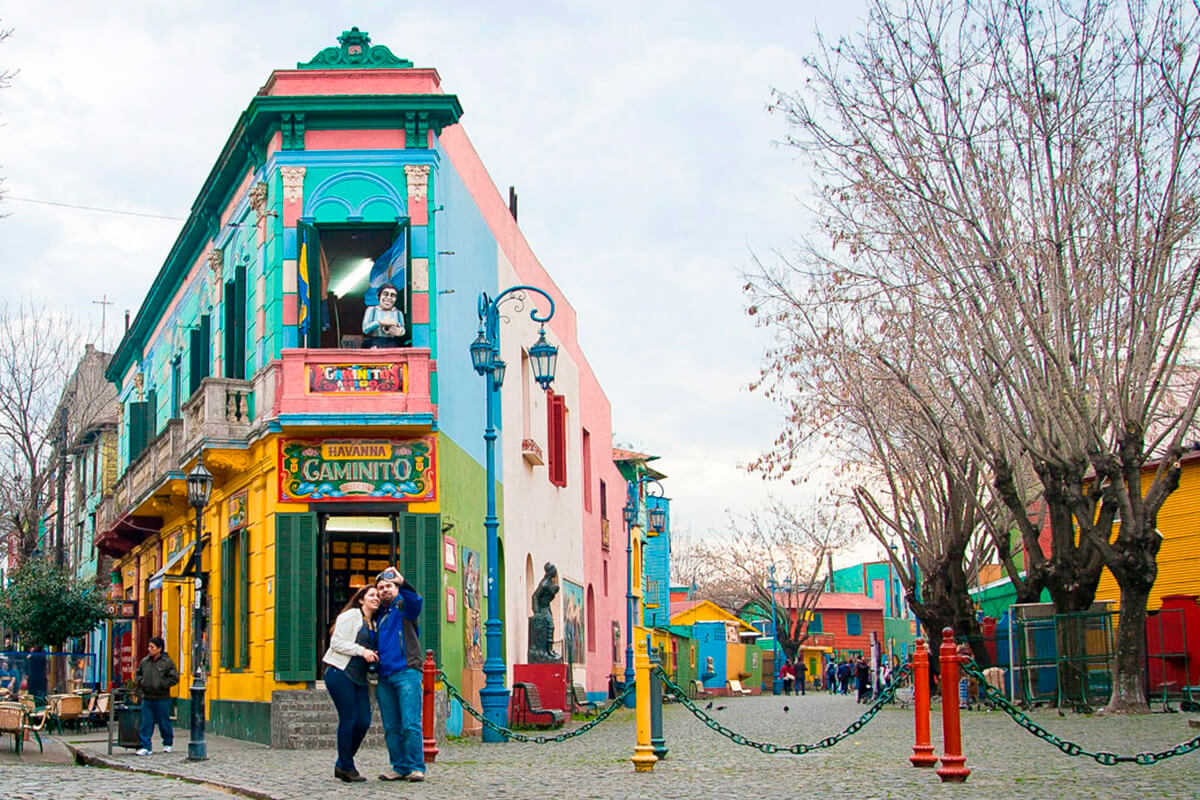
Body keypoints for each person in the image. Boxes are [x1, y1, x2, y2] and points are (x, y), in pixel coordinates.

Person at [322, 585, 381, 783]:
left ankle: (342, 763)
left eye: (378, 595)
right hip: (340, 673)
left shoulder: (374, 622)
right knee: (349, 718)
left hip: (360, 677)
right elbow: (336, 642)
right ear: (361, 599)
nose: (376, 598)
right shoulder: (351, 616)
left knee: (364, 721)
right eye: (371, 595)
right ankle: (347, 766)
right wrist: (361, 651)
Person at [374, 566, 425, 782]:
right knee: (391, 726)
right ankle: (399, 766)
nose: (385, 590)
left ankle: (416, 767)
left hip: (406, 672)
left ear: (396, 589)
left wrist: (404, 583)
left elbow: (416, 601)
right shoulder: (376, 615)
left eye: (389, 586)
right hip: (384, 676)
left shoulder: (404, 607)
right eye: (381, 588)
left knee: (410, 723)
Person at [135, 636, 179, 755]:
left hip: (162, 698)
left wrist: (162, 684)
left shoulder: (167, 663)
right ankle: (146, 746)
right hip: (147, 697)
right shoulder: (145, 662)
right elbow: (138, 674)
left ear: (159, 649)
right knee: (146, 723)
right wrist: (141, 682)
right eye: (149, 647)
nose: (149, 649)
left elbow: (174, 677)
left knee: (164, 722)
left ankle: (167, 743)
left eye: (152, 647)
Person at [362, 283, 406, 348]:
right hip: (375, 343)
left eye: (392, 295)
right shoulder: (372, 310)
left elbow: (402, 328)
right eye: (385, 294)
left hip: (392, 344)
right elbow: (365, 329)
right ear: (378, 296)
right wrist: (380, 322)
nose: (388, 298)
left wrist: (400, 331)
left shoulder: (398, 313)